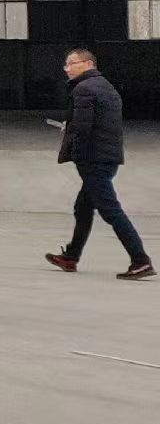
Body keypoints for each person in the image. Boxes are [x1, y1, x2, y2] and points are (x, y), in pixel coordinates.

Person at [45, 49, 152, 281]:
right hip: (108, 156)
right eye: (66, 65)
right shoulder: (105, 86)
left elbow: (83, 128)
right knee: (82, 207)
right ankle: (71, 257)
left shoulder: (83, 89)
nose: (68, 68)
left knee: (110, 210)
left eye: (72, 63)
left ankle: (140, 260)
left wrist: (71, 138)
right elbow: (99, 122)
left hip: (93, 159)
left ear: (88, 64)